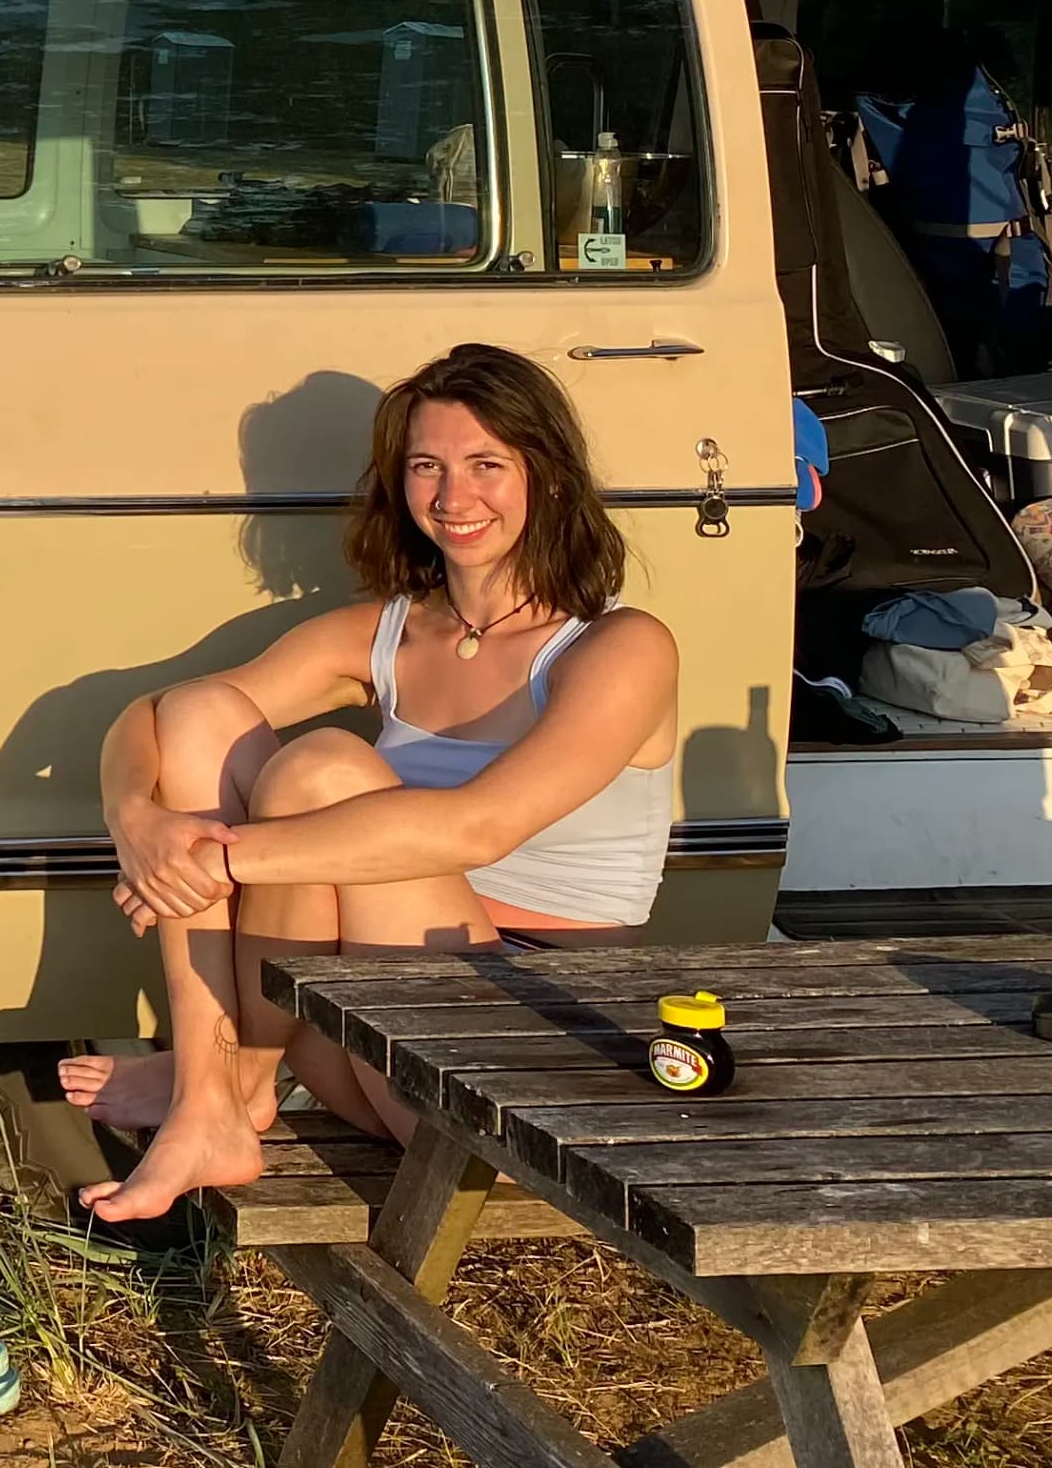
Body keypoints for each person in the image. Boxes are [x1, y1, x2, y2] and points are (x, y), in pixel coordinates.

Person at [59, 342, 681, 1220]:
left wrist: (211, 863)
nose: (454, 498)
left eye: (486, 466)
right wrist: (137, 823)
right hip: (363, 1037)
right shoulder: (387, 633)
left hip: (523, 1066)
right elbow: (155, 718)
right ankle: (214, 1092)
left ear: (547, 475)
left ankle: (227, 1075)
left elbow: (479, 830)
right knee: (200, 712)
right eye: (428, 466)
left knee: (320, 770)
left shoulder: (619, 647)